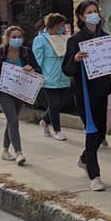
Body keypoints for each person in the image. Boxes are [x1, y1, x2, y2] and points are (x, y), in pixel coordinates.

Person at [62, 0, 111, 191]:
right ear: (81, 17)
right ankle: (95, 175)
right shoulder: (75, 41)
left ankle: (84, 158)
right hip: (84, 93)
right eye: (89, 12)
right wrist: (75, 59)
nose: (94, 15)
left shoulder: (106, 38)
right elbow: (66, 69)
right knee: (92, 133)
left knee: (100, 133)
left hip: (102, 90)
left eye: (96, 11)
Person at [0, 26, 40, 166]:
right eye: (14, 37)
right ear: (7, 38)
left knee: (11, 121)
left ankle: (4, 150)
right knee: (14, 120)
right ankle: (19, 153)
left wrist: (31, 68)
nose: (17, 39)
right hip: (4, 92)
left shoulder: (26, 53)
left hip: (20, 91)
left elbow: (38, 68)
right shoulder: (0, 53)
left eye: (19, 37)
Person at [33, 13, 71, 141]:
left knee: (61, 103)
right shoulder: (41, 40)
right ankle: (57, 130)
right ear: (53, 26)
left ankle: (44, 120)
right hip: (49, 78)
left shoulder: (63, 38)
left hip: (64, 76)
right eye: (60, 26)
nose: (62, 28)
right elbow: (37, 59)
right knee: (54, 104)